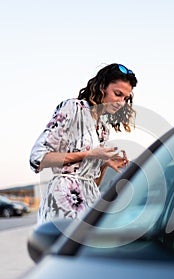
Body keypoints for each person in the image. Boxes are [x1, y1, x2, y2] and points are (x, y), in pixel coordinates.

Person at [30, 63, 138, 224]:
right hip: (63, 201)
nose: (121, 102)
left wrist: (104, 163)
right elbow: (37, 158)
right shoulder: (73, 108)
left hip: (90, 200)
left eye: (125, 98)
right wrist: (88, 154)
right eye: (117, 94)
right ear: (102, 87)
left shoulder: (103, 128)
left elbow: (92, 181)